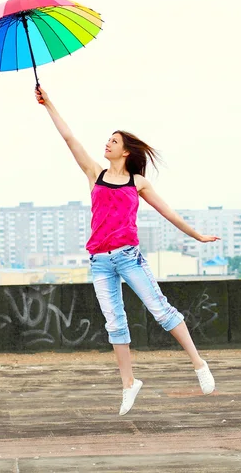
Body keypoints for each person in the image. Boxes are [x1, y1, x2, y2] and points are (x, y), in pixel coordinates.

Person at [36, 85, 220, 415]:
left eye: (114, 141)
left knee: (161, 311)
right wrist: (48, 103)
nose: (107, 143)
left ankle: (198, 363)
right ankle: (128, 383)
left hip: (128, 256)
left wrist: (197, 235)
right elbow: (69, 139)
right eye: (108, 139)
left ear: (125, 152)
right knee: (114, 324)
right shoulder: (95, 174)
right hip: (100, 262)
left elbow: (168, 212)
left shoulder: (138, 183)